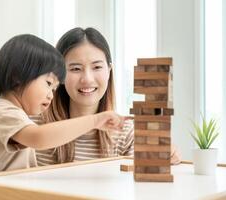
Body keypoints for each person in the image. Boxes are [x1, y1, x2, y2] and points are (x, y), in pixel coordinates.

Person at [0, 34, 126, 176]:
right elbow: (38, 137)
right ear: (18, 77)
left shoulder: (17, 115)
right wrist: (94, 121)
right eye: (48, 83)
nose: (51, 95)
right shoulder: (3, 112)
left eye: (54, 88)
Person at [36, 27, 181, 165]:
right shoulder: (32, 127)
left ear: (109, 70)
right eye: (75, 69)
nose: (87, 79)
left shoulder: (125, 133)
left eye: (97, 67)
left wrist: (165, 155)